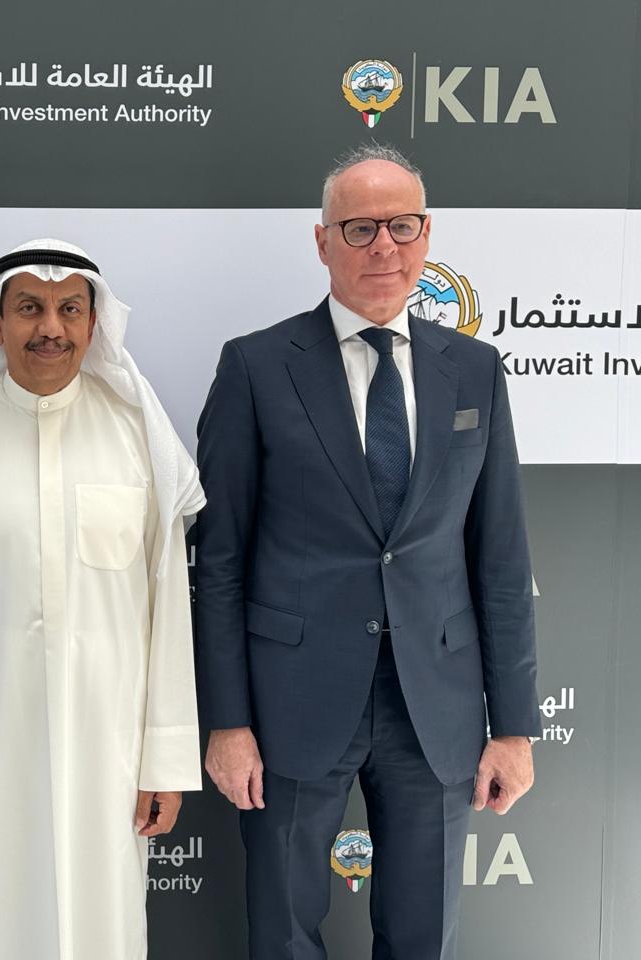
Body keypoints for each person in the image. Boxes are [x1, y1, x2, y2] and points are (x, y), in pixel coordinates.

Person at [195, 143, 539, 960]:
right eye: (359, 228)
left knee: (423, 937)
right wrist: (228, 721)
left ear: (427, 235)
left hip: (436, 707)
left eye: (402, 225)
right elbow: (220, 563)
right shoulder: (256, 367)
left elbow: (500, 560)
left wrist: (515, 726)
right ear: (323, 242)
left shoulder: (475, 371)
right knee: (283, 933)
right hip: (290, 702)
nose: (384, 245)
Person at [0, 239, 205, 959]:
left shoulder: (137, 439)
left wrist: (166, 761)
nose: (49, 328)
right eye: (29, 308)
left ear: (94, 324)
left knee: (100, 926)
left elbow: (169, 615)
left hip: (108, 754)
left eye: (68, 309)